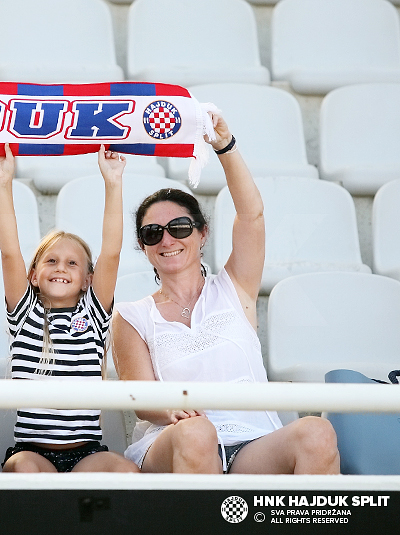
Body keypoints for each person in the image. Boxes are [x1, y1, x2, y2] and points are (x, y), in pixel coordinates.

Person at [111, 113, 340, 475]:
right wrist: (172, 411)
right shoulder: (132, 315)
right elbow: (140, 399)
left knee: (317, 431)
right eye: (153, 233)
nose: (167, 240)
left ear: (202, 234)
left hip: (255, 442)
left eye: (179, 227)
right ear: (143, 246)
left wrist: (225, 146)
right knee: (197, 433)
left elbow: (252, 216)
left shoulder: (235, 287)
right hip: (174, 438)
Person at [0, 143, 139, 473]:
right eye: (51, 261)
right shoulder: (25, 312)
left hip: (87, 453)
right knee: (26, 472)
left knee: (125, 472)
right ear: (33, 274)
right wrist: (3, 183)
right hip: (32, 452)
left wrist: (113, 183)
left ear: (87, 279)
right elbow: (9, 252)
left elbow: (111, 254)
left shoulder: (93, 313)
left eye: (72, 263)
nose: (60, 268)